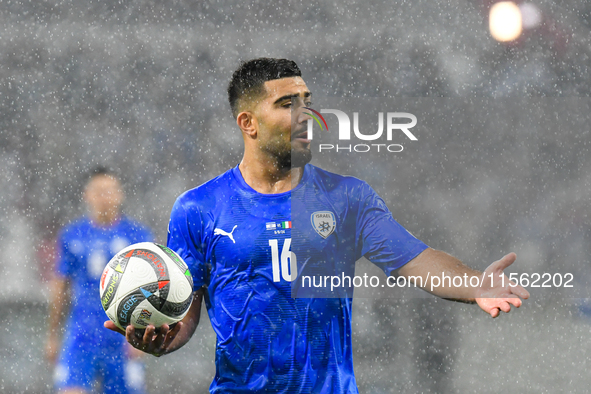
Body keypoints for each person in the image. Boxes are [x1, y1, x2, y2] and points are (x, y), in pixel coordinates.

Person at [105, 58, 530, 393]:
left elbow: (417, 260)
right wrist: (163, 338)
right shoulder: (197, 208)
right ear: (248, 123)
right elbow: (186, 314)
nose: (306, 114)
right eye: (287, 104)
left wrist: (474, 283)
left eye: (306, 100)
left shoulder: (347, 198)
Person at [47, 166, 153, 394]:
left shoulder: (137, 236)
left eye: (110, 190)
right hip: (82, 335)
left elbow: (151, 288)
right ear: (87, 195)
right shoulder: (72, 236)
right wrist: (53, 335)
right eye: (98, 191)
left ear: (120, 194)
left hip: (123, 336)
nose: (104, 197)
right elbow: (60, 287)